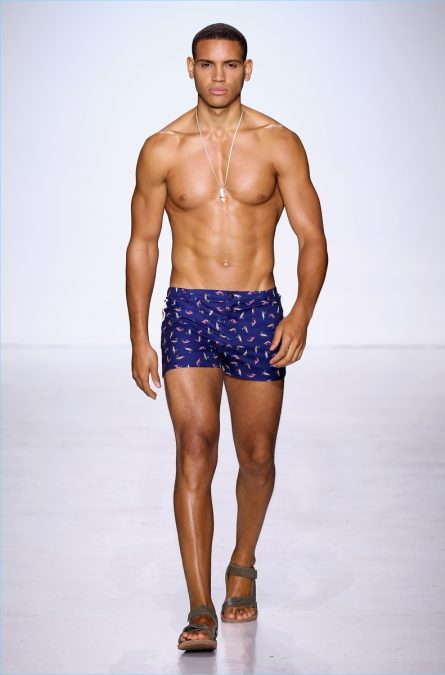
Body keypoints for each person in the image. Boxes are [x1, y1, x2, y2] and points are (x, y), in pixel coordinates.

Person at [125, 22, 328, 652]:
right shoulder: (161, 148)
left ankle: (242, 563)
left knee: (257, 455)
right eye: (208, 64)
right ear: (190, 67)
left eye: (230, 65)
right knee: (194, 448)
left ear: (247, 69)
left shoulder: (279, 143)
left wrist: (300, 314)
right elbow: (142, 245)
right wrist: (138, 336)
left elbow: (312, 238)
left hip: (258, 311)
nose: (219, 76)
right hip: (188, 309)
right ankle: (200, 606)